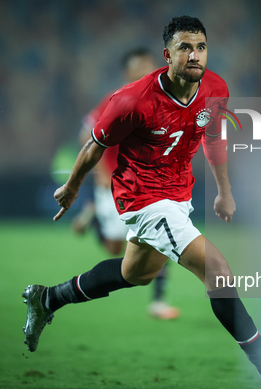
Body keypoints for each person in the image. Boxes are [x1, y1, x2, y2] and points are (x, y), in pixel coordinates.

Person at [23, 16, 261, 389]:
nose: (195, 55)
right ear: (167, 54)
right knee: (218, 272)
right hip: (143, 199)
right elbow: (95, 145)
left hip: (178, 195)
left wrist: (224, 190)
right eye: (185, 48)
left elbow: (212, 136)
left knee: (135, 273)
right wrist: (73, 188)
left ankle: (48, 298)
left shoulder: (215, 88)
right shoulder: (132, 100)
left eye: (201, 47)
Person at [71, 48, 180, 320]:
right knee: (115, 248)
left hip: (149, 185)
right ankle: (94, 213)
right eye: (137, 67)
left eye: (148, 65)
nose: (144, 71)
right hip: (115, 183)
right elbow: (87, 133)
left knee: (163, 237)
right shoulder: (117, 99)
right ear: (127, 73)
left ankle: (158, 301)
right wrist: (100, 170)